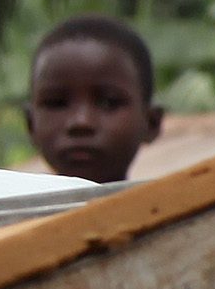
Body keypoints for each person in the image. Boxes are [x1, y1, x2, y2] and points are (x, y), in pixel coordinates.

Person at [25, 14, 166, 183]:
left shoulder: (178, 207)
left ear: (151, 122)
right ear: (30, 123)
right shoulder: (2, 208)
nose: (81, 122)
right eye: (57, 103)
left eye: (108, 102)